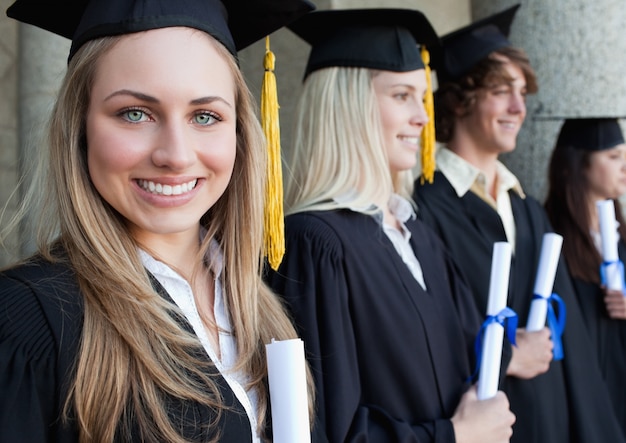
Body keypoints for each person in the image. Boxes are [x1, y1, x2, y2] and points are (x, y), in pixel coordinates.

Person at [0, 0, 321, 441]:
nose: (176, 155)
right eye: (135, 113)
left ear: (240, 133)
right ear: (79, 128)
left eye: (204, 116)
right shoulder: (28, 322)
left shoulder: (257, 302)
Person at [264, 8, 516, 443]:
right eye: (402, 95)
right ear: (348, 105)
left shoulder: (416, 233)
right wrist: (453, 435)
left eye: (422, 98)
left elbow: (474, 358)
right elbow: (328, 427)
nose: (422, 117)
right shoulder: (316, 244)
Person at [413, 5, 626, 443]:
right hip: (480, 421)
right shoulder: (423, 208)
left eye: (523, 93)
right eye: (502, 91)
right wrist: (509, 353)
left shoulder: (524, 206)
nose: (518, 107)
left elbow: (577, 352)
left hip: (549, 418)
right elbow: (424, 334)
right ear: (459, 99)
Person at [545, 117, 626, 435]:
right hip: (577, 399)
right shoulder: (550, 239)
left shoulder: (621, 240)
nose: (624, 167)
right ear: (578, 163)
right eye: (613, 156)